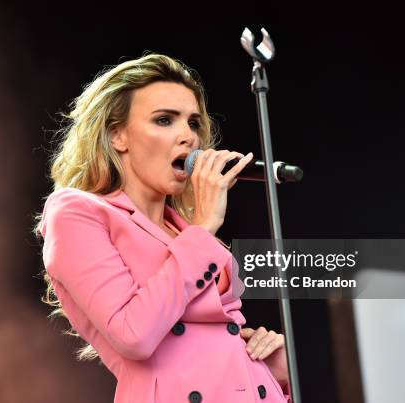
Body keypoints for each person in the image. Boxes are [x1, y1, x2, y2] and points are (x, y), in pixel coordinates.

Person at [34, 53, 290, 402]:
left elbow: (219, 339)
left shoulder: (183, 229)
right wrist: (204, 228)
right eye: (165, 120)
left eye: (194, 123)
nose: (188, 136)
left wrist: (275, 370)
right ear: (117, 136)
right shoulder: (76, 212)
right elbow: (133, 334)